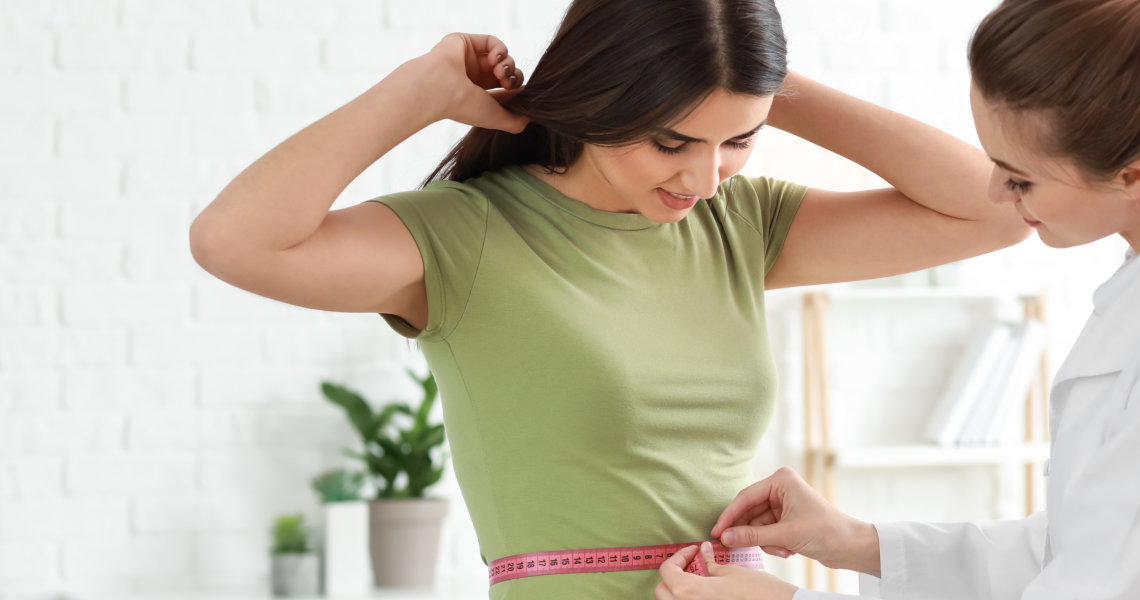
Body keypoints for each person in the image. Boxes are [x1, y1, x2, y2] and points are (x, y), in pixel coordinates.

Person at [187, 1, 1027, 598]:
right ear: (601, 100)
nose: (703, 178)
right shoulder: (471, 237)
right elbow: (234, 241)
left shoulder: (740, 220)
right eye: (672, 142)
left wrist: (753, 76)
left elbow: (997, 208)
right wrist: (418, 92)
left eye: (738, 140)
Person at [651, 0, 1140, 599]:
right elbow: (1073, 550)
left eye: (1019, 180)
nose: (995, 196)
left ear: (1135, 173)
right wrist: (857, 542)